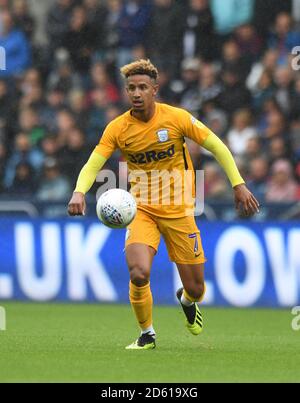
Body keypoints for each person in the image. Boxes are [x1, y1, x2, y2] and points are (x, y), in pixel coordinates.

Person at [68, 59, 259, 350]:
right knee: (138, 272)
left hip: (179, 210)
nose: (136, 93)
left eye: (143, 87)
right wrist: (79, 192)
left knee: (197, 289)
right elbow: (94, 163)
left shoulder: (176, 118)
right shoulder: (118, 128)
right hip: (141, 209)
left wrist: (238, 183)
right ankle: (147, 334)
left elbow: (216, 146)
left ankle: (186, 300)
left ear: (155, 90)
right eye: (131, 87)